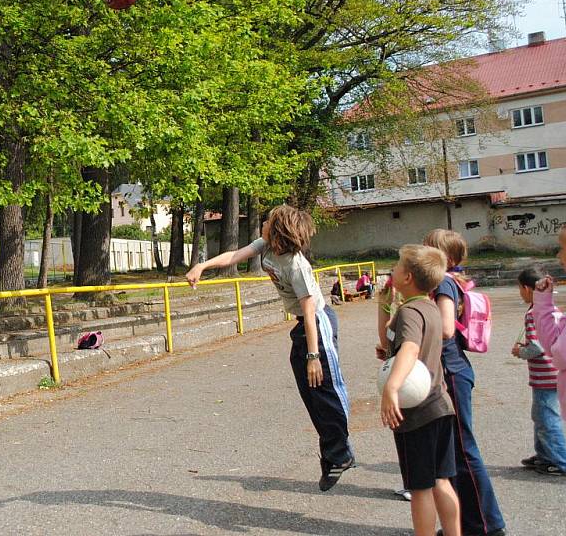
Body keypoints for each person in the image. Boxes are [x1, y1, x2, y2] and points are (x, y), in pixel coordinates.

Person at [186, 205, 353, 491]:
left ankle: (340, 454)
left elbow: (310, 311)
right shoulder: (266, 245)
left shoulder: (296, 265)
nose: (262, 223)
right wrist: (202, 266)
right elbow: (234, 256)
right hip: (304, 326)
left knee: (323, 386)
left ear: (277, 231)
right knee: (308, 390)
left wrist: (314, 356)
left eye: (268, 221)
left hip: (318, 324)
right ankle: (334, 452)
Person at [423, 229, 506, 536]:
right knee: (453, 452)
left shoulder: (444, 281)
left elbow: (445, 329)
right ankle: (465, 523)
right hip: (447, 372)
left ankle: (488, 525)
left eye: (428, 248)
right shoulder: (441, 282)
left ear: (444, 258)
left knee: (463, 449)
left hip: (452, 373)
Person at [380, 245, 460, 536]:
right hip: (441, 405)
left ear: (408, 277)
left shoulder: (409, 312)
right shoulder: (430, 307)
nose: (394, 269)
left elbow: (411, 348)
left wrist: (392, 385)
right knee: (442, 480)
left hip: (418, 412)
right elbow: (407, 344)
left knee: (420, 487)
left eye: (398, 266)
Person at [511, 266, 566, 477]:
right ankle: (544, 454)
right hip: (553, 375)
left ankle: (560, 460)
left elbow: (536, 347)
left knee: (547, 419)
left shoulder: (532, 314)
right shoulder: (553, 309)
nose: (520, 293)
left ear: (527, 289)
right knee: (540, 416)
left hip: (545, 377)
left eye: (520, 288)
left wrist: (521, 351)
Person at [534, 221, 566, 486]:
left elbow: (564, 352)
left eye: (562, 247)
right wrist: (543, 303)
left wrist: (558, 348)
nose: (558, 254)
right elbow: (553, 343)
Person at [377, 274, 412, 502]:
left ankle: (415, 483)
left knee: (407, 430)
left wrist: (384, 307)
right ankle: (412, 481)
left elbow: (386, 335)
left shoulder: (405, 308)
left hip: (405, 377)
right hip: (414, 376)